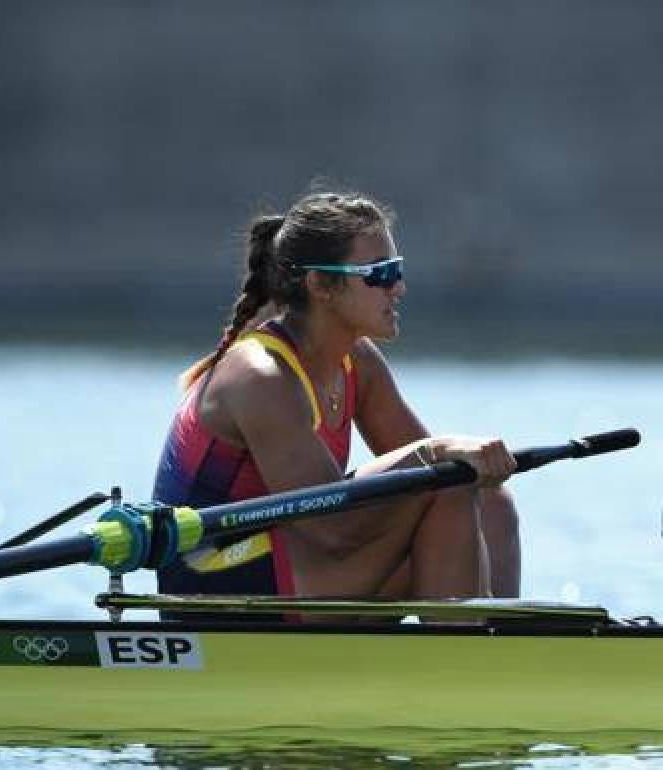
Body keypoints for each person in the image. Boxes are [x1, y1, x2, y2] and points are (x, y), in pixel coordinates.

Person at [153, 191, 521, 617]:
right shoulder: (260, 377)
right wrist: (438, 452)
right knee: (447, 484)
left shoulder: (357, 362)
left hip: (296, 557)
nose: (398, 287)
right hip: (214, 581)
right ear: (321, 285)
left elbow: (442, 478)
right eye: (379, 274)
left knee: (489, 500)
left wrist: (464, 466)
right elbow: (331, 529)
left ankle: (497, 641)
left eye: (396, 270)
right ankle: (467, 659)